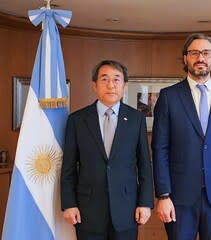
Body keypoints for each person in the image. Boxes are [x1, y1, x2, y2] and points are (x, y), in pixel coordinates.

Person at [151, 33, 211, 240]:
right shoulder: (169, 96)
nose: (200, 58)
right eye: (194, 53)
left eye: (206, 53)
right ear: (185, 58)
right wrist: (163, 195)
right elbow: (160, 149)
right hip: (179, 198)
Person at [61, 60, 154, 240]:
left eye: (116, 80)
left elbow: (144, 165)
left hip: (127, 209)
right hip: (87, 210)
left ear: (125, 86)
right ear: (94, 85)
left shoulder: (136, 119)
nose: (111, 85)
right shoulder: (77, 120)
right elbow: (68, 168)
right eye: (104, 79)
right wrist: (69, 204)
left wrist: (145, 203)